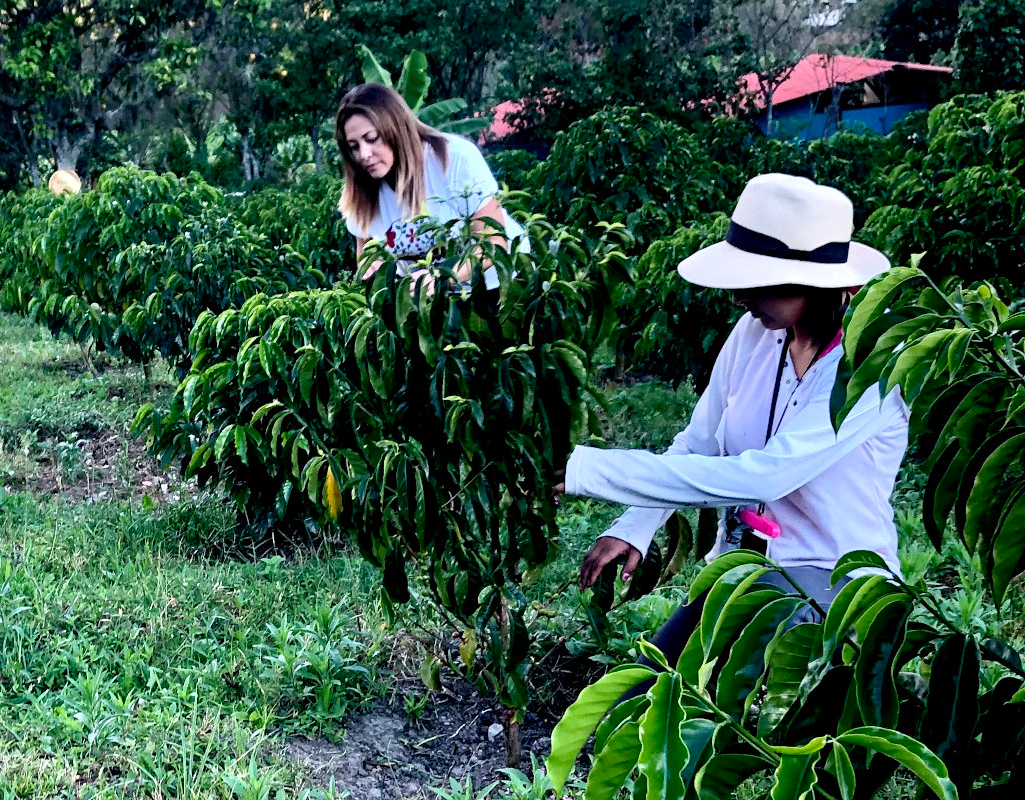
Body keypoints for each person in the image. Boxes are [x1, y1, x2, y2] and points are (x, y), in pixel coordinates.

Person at [558, 173, 908, 665]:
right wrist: (635, 524)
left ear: (808, 279)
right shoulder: (755, 335)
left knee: (728, 719)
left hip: (838, 585)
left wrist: (592, 471)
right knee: (639, 696)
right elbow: (699, 441)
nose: (739, 298)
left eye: (755, 283)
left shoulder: (869, 367)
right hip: (743, 571)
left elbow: (766, 474)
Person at [335, 83, 526, 292]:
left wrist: (440, 277)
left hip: (501, 289)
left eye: (372, 139)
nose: (364, 154)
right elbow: (365, 256)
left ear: (395, 128)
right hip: (434, 300)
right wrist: (375, 269)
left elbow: (494, 246)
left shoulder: (454, 158)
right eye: (354, 146)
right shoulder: (362, 190)